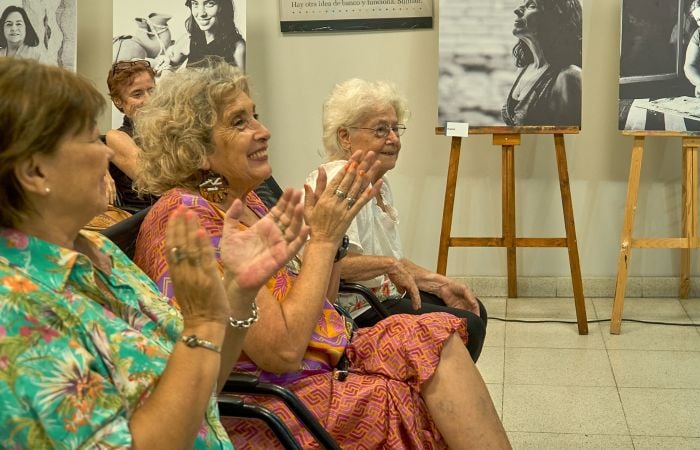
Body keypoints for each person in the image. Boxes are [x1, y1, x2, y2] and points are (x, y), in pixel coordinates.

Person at [132, 62, 511, 450]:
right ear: (198, 150)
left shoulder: (245, 204)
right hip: (277, 399)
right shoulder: (193, 223)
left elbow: (321, 306)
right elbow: (282, 352)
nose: (264, 131)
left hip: (325, 357)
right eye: (240, 122)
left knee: (434, 336)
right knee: (421, 388)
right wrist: (324, 241)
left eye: (256, 116)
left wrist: (329, 245)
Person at [0, 57, 308, 448]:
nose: (106, 153)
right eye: (88, 139)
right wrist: (203, 323)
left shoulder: (95, 249)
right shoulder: (16, 312)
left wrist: (238, 292)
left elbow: (202, 384)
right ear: (35, 172)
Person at [308, 78, 489, 362]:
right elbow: (331, 263)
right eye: (381, 130)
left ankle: (430, 396)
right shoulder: (339, 181)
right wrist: (388, 265)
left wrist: (439, 283)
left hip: (380, 297)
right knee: (469, 325)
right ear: (345, 136)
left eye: (395, 128)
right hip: (354, 310)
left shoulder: (379, 182)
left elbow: (392, 260)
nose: (394, 139)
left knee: (472, 307)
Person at [501, 0, 582, 126]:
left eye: (532, 5)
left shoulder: (569, 77)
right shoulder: (525, 69)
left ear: (554, 18)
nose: (517, 10)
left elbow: (571, 138)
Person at [105, 59, 159, 213]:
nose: (148, 100)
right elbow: (156, 183)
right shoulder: (116, 137)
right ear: (118, 101)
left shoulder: (170, 129)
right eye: (137, 94)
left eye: (152, 91)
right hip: (144, 224)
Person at [159, 0, 245, 71]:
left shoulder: (238, 48)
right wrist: (166, 63)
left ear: (222, 6)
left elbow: (242, 87)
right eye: (195, 4)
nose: (201, 13)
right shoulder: (189, 40)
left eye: (210, 4)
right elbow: (169, 60)